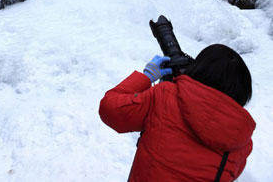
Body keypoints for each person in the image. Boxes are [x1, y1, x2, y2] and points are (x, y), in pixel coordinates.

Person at [99, 44, 255, 182]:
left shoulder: (166, 96)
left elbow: (111, 109)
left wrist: (147, 77)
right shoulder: (242, 139)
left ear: (198, 69)